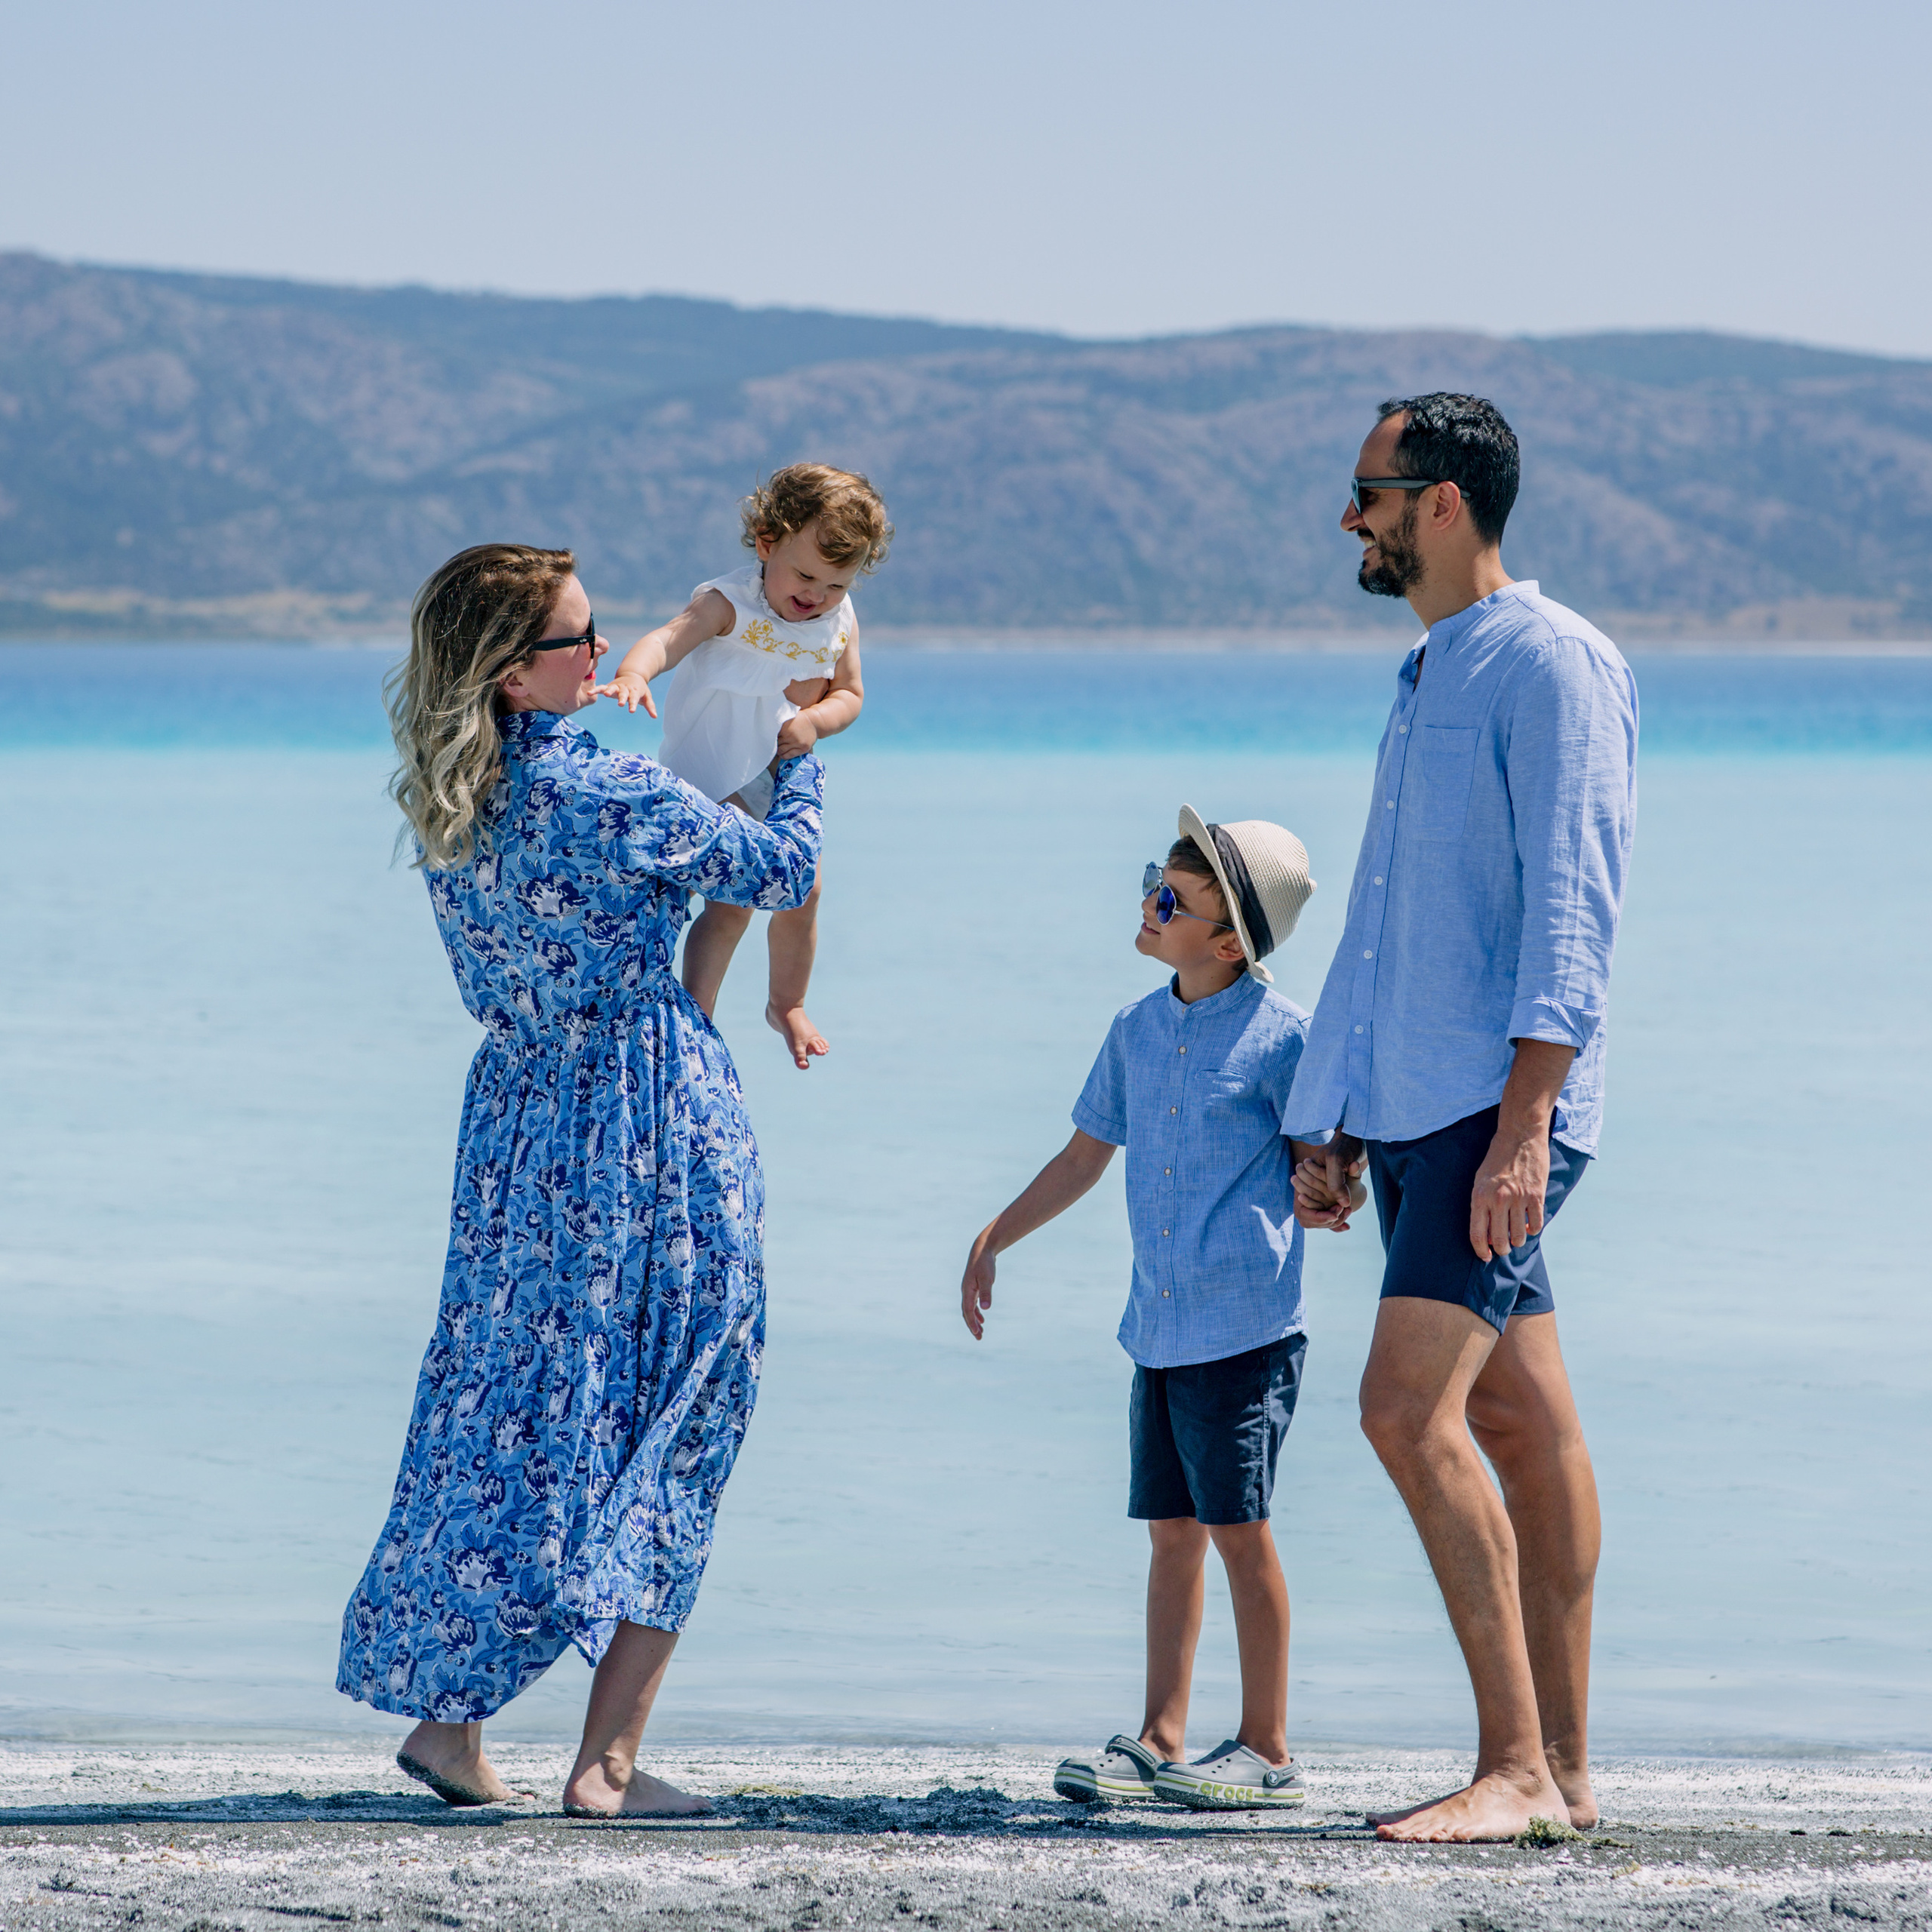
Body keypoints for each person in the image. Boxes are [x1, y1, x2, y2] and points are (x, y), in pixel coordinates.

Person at [337, 543, 823, 1817]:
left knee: (513, 1409)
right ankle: (605, 1763)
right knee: (695, 1390)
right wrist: (802, 754)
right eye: (578, 639)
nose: (602, 655)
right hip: (645, 1109)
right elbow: (781, 871)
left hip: (515, 1127)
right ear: (512, 671)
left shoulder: (453, 799)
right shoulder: (605, 789)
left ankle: (451, 1727)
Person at [1287, 394, 1638, 1843]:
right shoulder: (1433, 667)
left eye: (1367, 492)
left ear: (1441, 501)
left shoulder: (1554, 662)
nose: (1350, 519)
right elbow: (1386, 921)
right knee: (1515, 1418)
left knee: (1402, 1410)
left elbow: (1574, 905)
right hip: (1419, 1106)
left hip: (1497, 1111)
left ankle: (1515, 1768)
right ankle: (1566, 1774)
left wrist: (1526, 1126)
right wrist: (1329, 1114)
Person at [960, 810, 1342, 1810]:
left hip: (1246, 1330)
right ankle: (1160, 1736)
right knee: (1172, 1535)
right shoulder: (1134, 1030)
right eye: (1151, 884)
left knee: (1240, 1532)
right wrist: (996, 1235)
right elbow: (1085, 1155)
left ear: (1228, 944)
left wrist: (1331, 1186)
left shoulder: (1284, 1036)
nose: (1148, 904)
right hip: (1159, 1330)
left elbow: (1328, 1156)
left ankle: (1268, 1748)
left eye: (1170, 899)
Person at [600, 463, 888, 1070]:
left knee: (803, 889)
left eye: (837, 584)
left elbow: (851, 694)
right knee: (729, 904)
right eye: (805, 575)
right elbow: (667, 639)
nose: (817, 596)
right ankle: (697, 1013)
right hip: (711, 771)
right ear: (766, 543)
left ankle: (787, 1003)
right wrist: (634, 674)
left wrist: (817, 722)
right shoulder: (728, 604)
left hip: (775, 771)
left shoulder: (839, 619)